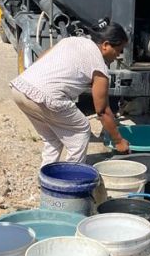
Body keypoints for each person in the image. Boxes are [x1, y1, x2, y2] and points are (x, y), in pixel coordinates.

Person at [10, 21, 131, 165]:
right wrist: (118, 141)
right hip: (46, 96)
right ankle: (71, 180)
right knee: (81, 131)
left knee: (53, 139)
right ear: (105, 45)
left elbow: (43, 57)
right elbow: (103, 111)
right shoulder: (99, 65)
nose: (117, 55)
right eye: (118, 50)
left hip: (20, 87)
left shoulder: (72, 40)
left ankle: (46, 181)